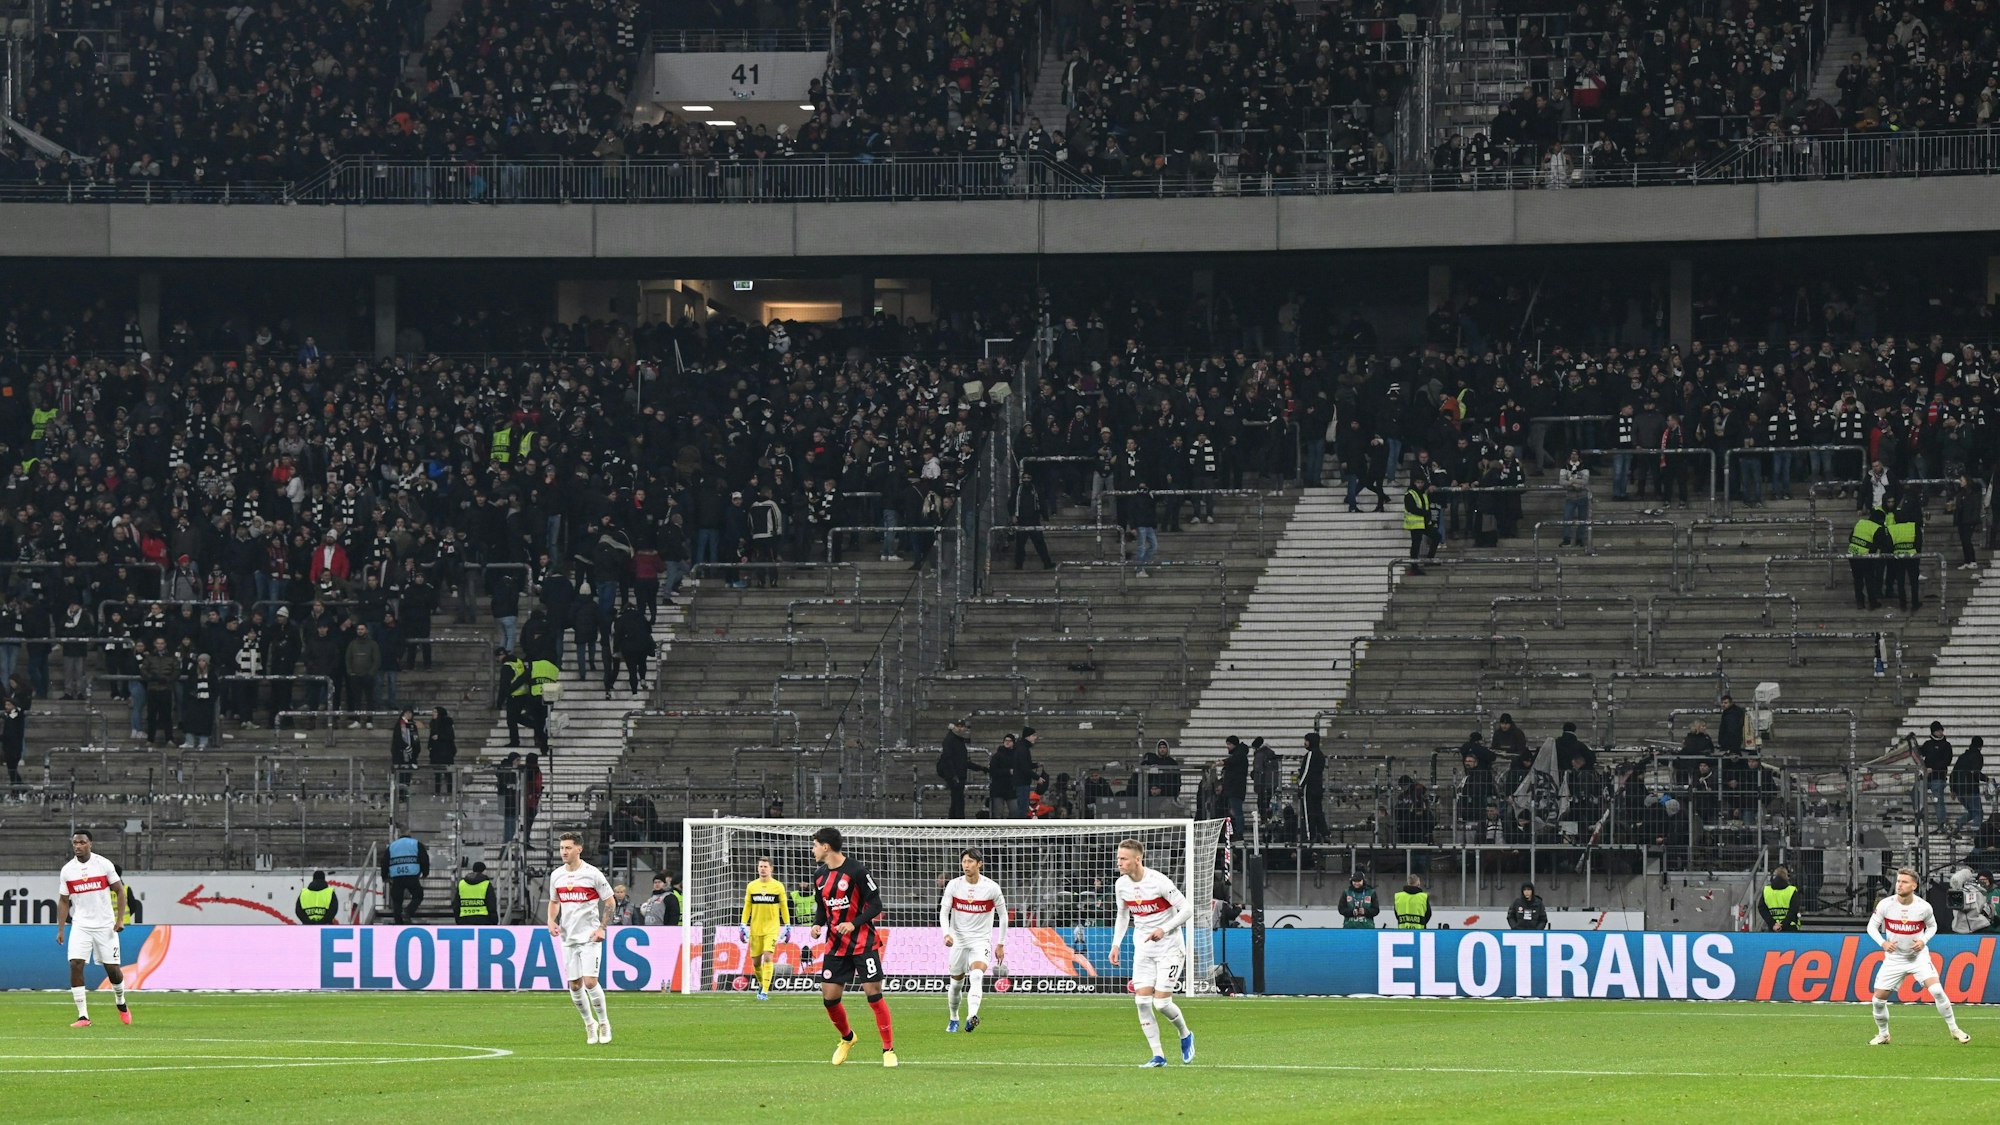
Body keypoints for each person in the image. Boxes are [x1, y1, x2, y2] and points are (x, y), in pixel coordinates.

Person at [810, 826, 896, 1067]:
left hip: (863, 943)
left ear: (826, 847)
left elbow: (876, 905)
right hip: (835, 946)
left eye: (815, 845)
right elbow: (822, 907)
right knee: (829, 998)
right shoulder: (819, 876)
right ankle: (847, 1038)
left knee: (873, 994)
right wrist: (817, 925)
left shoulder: (856, 870)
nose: (813, 849)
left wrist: (853, 923)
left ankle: (888, 1050)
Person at [1108, 838, 1194, 1067]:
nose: (1119, 863)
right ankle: (1158, 1056)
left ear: (1138, 859)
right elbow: (1123, 915)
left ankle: (1185, 1034)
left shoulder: (1158, 882)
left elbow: (1187, 909)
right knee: (1142, 1002)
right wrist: (1116, 944)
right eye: (1118, 858)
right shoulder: (1121, 885)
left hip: (1169, 948)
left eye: (1124, 859)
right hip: (1143, 949)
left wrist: (1164, 929)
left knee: (1162, 1004)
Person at [1867, 867, 1969, 1045]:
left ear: (1913, 886)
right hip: (1895, 959)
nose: (1899, 885)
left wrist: (1923, 940)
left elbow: (1932, 927)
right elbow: (1871, 927)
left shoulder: (1923, 907)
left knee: (1937, 990)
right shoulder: (1886, 904)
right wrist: (1883, 943)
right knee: (1877, 1001)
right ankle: (1883, 1034)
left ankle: (1954, 1030)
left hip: (1918, 958)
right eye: (1898, 881)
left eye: (1904, 882)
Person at [56, 830, 131, 1027]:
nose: (78, 846)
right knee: (75, 964)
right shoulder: (67, 870)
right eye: (75, 843)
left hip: (105, 925)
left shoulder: (103, 864)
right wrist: (61, 929)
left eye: (82, 842)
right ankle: (83, 1016)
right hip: (81, 925)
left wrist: (120, 920)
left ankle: (121, 1001)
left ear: (90, 844)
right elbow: (64, 901)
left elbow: (120, 891)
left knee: (112, 969)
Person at [549, 830, 616, 1045]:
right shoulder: (556, 875)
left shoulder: (593, 874)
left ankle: (604, 1022)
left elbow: (610, 902)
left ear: (579, 849)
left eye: (568, 848)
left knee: (590, 982)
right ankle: (589, 1024)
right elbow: (554, 901)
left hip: (589, 936)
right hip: (568, 937)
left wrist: (602, 928)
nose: (564, 852)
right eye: (561, 848)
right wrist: (551, 920)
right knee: (575, 985)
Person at [940, 847, 1007, 1033]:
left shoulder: (991, 887)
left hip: (980, 940)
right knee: (956, 984)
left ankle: (972, 1016)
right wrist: (946, 933)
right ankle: (954, 1017)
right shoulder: (954, 885)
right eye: (964, 862)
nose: (966, 865)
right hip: (958, 941)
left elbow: (1003, 916)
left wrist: (1001, 943)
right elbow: (944, 912)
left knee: (977, 975)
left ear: (979, 864)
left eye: (970, 862)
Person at [741, 856, 791, 999]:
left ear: (771, 869)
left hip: (772, 928)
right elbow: (747, 907)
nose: (762, 869)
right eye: (760, 866)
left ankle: (765, 991)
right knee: (756, 962)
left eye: (765, 866)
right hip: (755, 928)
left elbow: (783, 907)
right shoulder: (752, 886)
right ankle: (763, 984)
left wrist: (787, 925)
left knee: (768, 957)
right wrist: (743, 924)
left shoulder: (778, 886)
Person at [382, 827, 429, 923]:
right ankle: (408, 911)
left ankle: (398, 923)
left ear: (399, 834)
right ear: (409, 833)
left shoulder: (392, 846)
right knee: (418, 895)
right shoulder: (416, 844)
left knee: (397, 901)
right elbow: (424, 859)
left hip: (397, 877)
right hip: (412, 876)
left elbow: (384, 862)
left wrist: (385, 876)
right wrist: (425, 872)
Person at [936, 718, 980, 818]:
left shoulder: (958, 740)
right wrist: (953, 775)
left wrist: (980, 768)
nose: (960, 729)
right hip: (955, 775)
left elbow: (962, 761)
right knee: (958, 802)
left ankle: (954, 823)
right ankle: (958, 824)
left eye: (962, 727)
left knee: (956, 801)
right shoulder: (951, 740)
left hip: (958, 775)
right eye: (958, 726)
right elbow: (948, 758)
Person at [605, 604, 652, 697]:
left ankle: (634, 691)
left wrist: (616, 649)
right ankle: (643, 678)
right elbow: (649, 630)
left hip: (629, 647)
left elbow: (617, 635)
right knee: (642, 662)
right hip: (642, 645)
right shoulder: (641, 617)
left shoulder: (621, 619)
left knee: (632, 670)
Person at [1848, 507, 1888, 609]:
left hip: (1853, 554)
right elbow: (1880, 545)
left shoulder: (1860, 522)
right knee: (1869, 579)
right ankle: (1872, 602)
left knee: (1858, 580)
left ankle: (1860, 602)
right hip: (1866, 557)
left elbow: (1850, 537)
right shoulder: (1878, 528)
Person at [1920, 722, 1954, 828]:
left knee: (1938, 801)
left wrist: (1933, 769)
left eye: (1941, 730)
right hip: (1926, 778)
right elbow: (1919, 753)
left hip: (1939, 778)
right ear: (1933, 732)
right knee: (1917, 795)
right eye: (1937, 730)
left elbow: (1947, 761)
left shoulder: (1946, 745)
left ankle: (1941, 824)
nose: (1940, 732)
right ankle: (1919, 819)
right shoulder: (1928, 744)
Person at [1403, 476, 1438, 572]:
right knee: (1416, 545)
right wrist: (1425, 513)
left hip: (1424, 522)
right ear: (1414, 483)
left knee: (1436, 536)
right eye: (1418, 482)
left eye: (1421, 482)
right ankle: (1414, 567)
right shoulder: (1410, 494)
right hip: (1415, 523)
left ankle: (1429, 559)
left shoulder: (1423, 493)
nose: (1420, 484)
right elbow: (1411, 508)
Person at [1953, 737, 1987, 836]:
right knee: (1978, 813)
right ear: (1980, 746)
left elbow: (1953, 773)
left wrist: (1953, 789)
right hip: (1971, 789)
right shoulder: (1977, 756)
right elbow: (1976, 772)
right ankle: (1977, 836)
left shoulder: (1962, 757)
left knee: (1972, 812)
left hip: (1960, 790)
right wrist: (1986, 779)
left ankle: (1958, 825)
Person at [1559, 449, 1591, 547]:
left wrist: (1571, 481)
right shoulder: (1564, 467)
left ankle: (1579, 539)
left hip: (1583, 497)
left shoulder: (1584, 466)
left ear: (1578, 456)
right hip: (1570, 497)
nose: (1573, 456)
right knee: (1567, 518)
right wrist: (1573, 484)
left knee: (1583, 519)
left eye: (1575, 454)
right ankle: (1566, 539)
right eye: (1572, 454)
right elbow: (1561, 482)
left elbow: (1585, 481)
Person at [1300, 732, 1328, 843]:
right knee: (1318, 811)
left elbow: (1306, 771)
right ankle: (1324, 832)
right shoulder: (1321, 755)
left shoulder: (1311, 754)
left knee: (1308, 813)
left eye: (1306, 740)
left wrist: (1300, 786)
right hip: (1318, 786)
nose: (1305, 743)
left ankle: (1309, 835)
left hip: (1309, 787)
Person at [389, 708, 421, 799]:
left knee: (407, 776)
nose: (409, 715)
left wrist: (416, 750)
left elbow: (416, 739)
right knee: (400, 776)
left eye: (410, 713)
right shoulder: (399, 725)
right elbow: (397, 739)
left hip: (410, 757)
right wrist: (405, 747)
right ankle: (400, 795)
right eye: (407, 713)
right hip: (400, 756)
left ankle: (405, 795)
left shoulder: (412, 726)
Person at [1759, 865, 1802, 932]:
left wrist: (1773, 924)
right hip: (1790, 927)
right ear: (1787, 877)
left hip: (1773, 928)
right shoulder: (1792, 890)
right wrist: (1783, 925)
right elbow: (1793, 910)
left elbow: (1762, 908)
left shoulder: (1766, 890)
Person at [429, 707, 458, 796]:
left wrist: (439, 737)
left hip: (446, 752)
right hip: (436, 752)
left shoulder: (446, 722)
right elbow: (431, 736)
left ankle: (450, 792)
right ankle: (437, 791)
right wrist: (430, 746)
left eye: (435, 712)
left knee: (448, 774)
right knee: (437, 773)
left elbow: (451, 736)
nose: (432, 713)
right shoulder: (433, 723)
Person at [496, 751, 522, 842]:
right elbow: (504, 785)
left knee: (510, 828)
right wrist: (512, 787)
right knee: (510, 828)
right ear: (512, 760)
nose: (519, 763)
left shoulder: (510, 770)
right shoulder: (508, 771)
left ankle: (506, 851)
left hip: (510, 803)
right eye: (517, 760)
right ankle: (505, 851)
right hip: (509, 803)